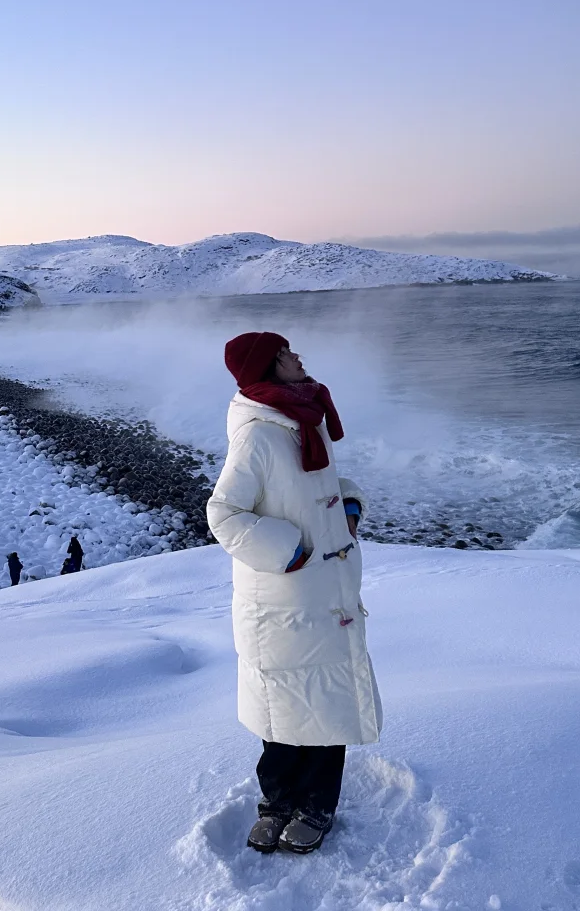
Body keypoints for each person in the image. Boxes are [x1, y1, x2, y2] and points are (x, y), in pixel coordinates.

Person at [207, 331, 382, 855]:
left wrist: (347, 508)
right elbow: (224, 514)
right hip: (283, 599)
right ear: (267, 367)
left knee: (329, 702)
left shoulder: (304, 416)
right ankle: (278, 803)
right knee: (281, 707)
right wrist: (291, 552)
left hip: (326, 592)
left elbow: (314, 490)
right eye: (284, 353)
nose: (297, 355)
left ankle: (317, 806)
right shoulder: (260, 434)